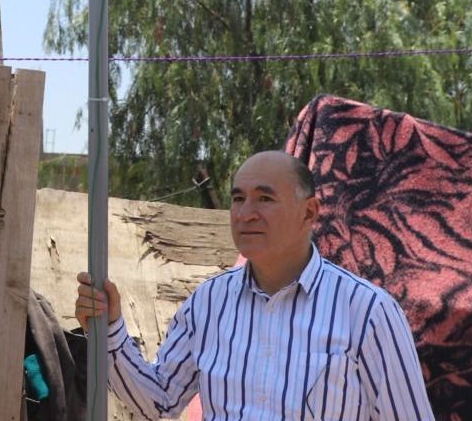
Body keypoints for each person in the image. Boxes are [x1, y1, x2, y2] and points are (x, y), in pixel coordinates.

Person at [76, 151, 433, 420]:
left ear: (309, 212)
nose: (246, 214)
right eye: (238, 198)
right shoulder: (209, 303)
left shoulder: (367, 312)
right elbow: (158, 400)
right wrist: (109, 330)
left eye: (265, 198)